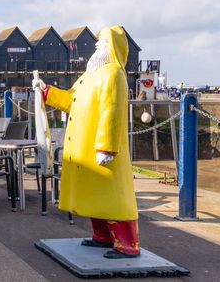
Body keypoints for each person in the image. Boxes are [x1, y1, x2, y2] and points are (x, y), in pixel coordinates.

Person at [32, 26, 140, 259]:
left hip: (99, 148)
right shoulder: (90, 76)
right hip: (85, 148)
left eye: (102, 42)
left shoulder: (113, 75)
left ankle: (128, 243)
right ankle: (102, 236)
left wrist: (107, 147)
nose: (97, 46)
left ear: (112, 48)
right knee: (94, 193)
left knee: (113, 197)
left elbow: (111, 113)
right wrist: (47, 92)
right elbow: (72, 99)